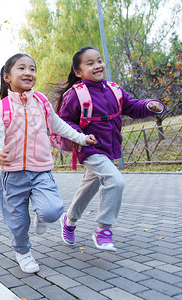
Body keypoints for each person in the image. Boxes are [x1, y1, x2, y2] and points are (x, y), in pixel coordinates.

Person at [0, 53, 96, 273]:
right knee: (18, 222)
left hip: (40, 170)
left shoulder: (41, 102)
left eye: (32, 69)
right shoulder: (3, 108)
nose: (28, 73)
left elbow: (59, 126)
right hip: (13, 174)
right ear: (7, 77)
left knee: (52, 211)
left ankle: (41, 214)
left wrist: (82, 138)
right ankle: (23, 251)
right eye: (22, 68)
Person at [57, 46, 165, 252]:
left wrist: (150, 105)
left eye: (99, 61)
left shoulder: (114, 89)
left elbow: (133, 106)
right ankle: (103, 230)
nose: (97, 65)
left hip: (110, 146)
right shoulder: (76, 95)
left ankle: (69, 220)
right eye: (90, 63)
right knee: (115, 181)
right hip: (89, 147)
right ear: (78, 72)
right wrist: (81, 136)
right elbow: (64, 121)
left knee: (90, 185)